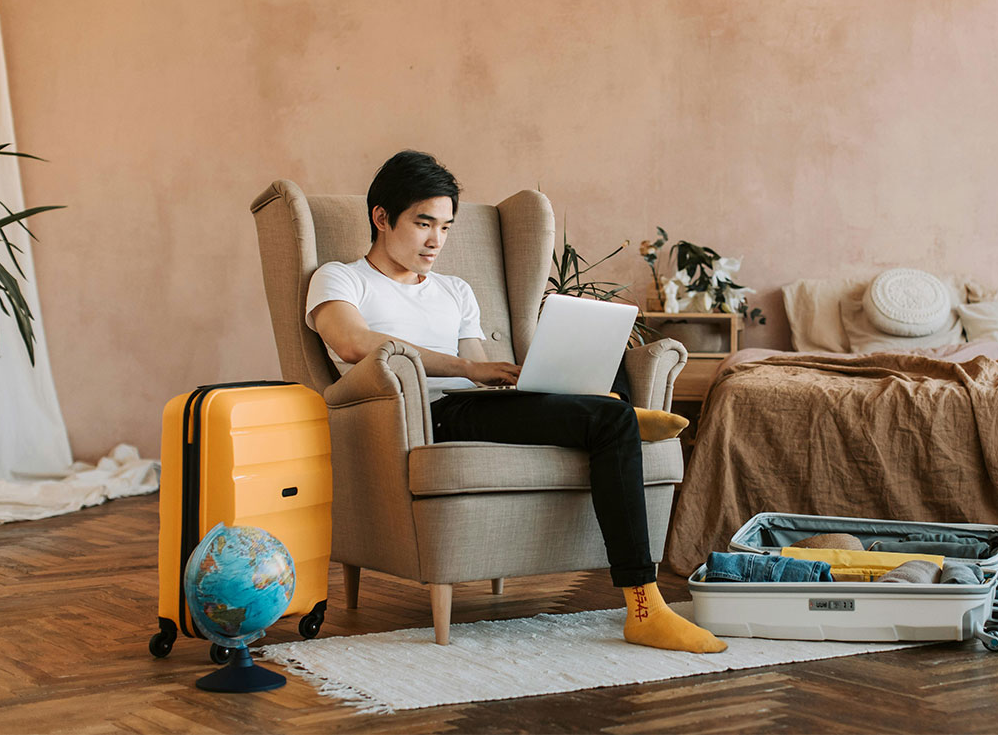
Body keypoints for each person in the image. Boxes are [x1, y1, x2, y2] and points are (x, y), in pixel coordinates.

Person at [305, 150, 726, 654]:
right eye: (423, 223)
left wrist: (519, 379)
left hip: (474, 407)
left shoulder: (456, 290)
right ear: (381, 217)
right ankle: (643, 606)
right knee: (609, 419)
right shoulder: (340, 278)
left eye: (446, 226)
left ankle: (616, 410)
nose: (436, 240)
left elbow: (480, 368)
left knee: (605, 358)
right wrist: (468, 369)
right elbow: (352, 343)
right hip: (422, 416)